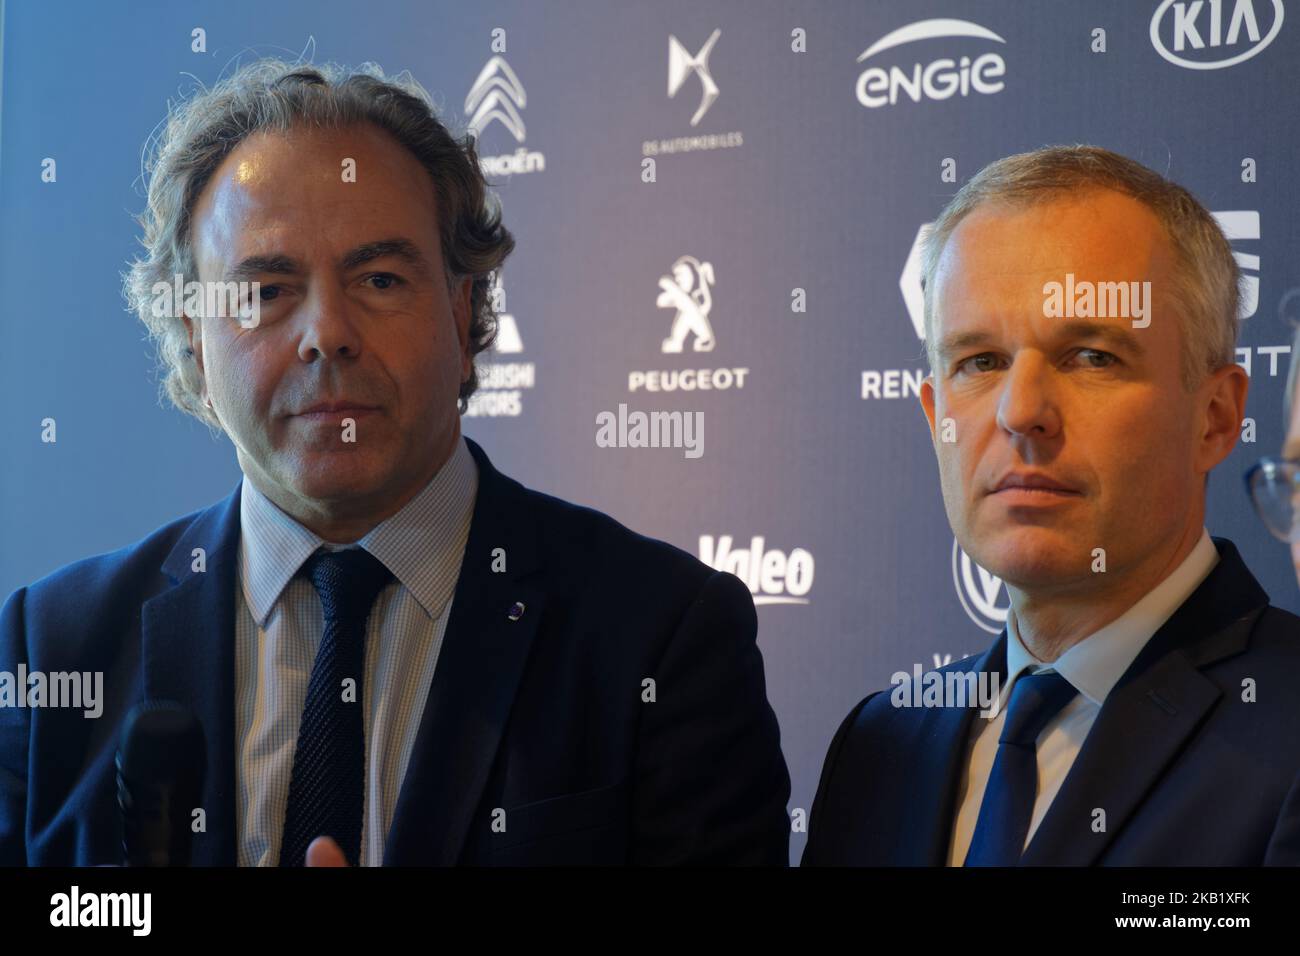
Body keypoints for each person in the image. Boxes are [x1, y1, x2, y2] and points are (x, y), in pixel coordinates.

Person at [0, 59, 790, 867]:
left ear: (463, 309)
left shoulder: (659, 636)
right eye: (266, 291)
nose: (327, 333)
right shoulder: (53, 650)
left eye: (379, 278)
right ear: (196, 344)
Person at [804, 145, 1300, 866]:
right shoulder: (881, 744)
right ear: (934, 416)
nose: (1021, 411)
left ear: (1216, 417)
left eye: (1091, 357)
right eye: (979, 361)